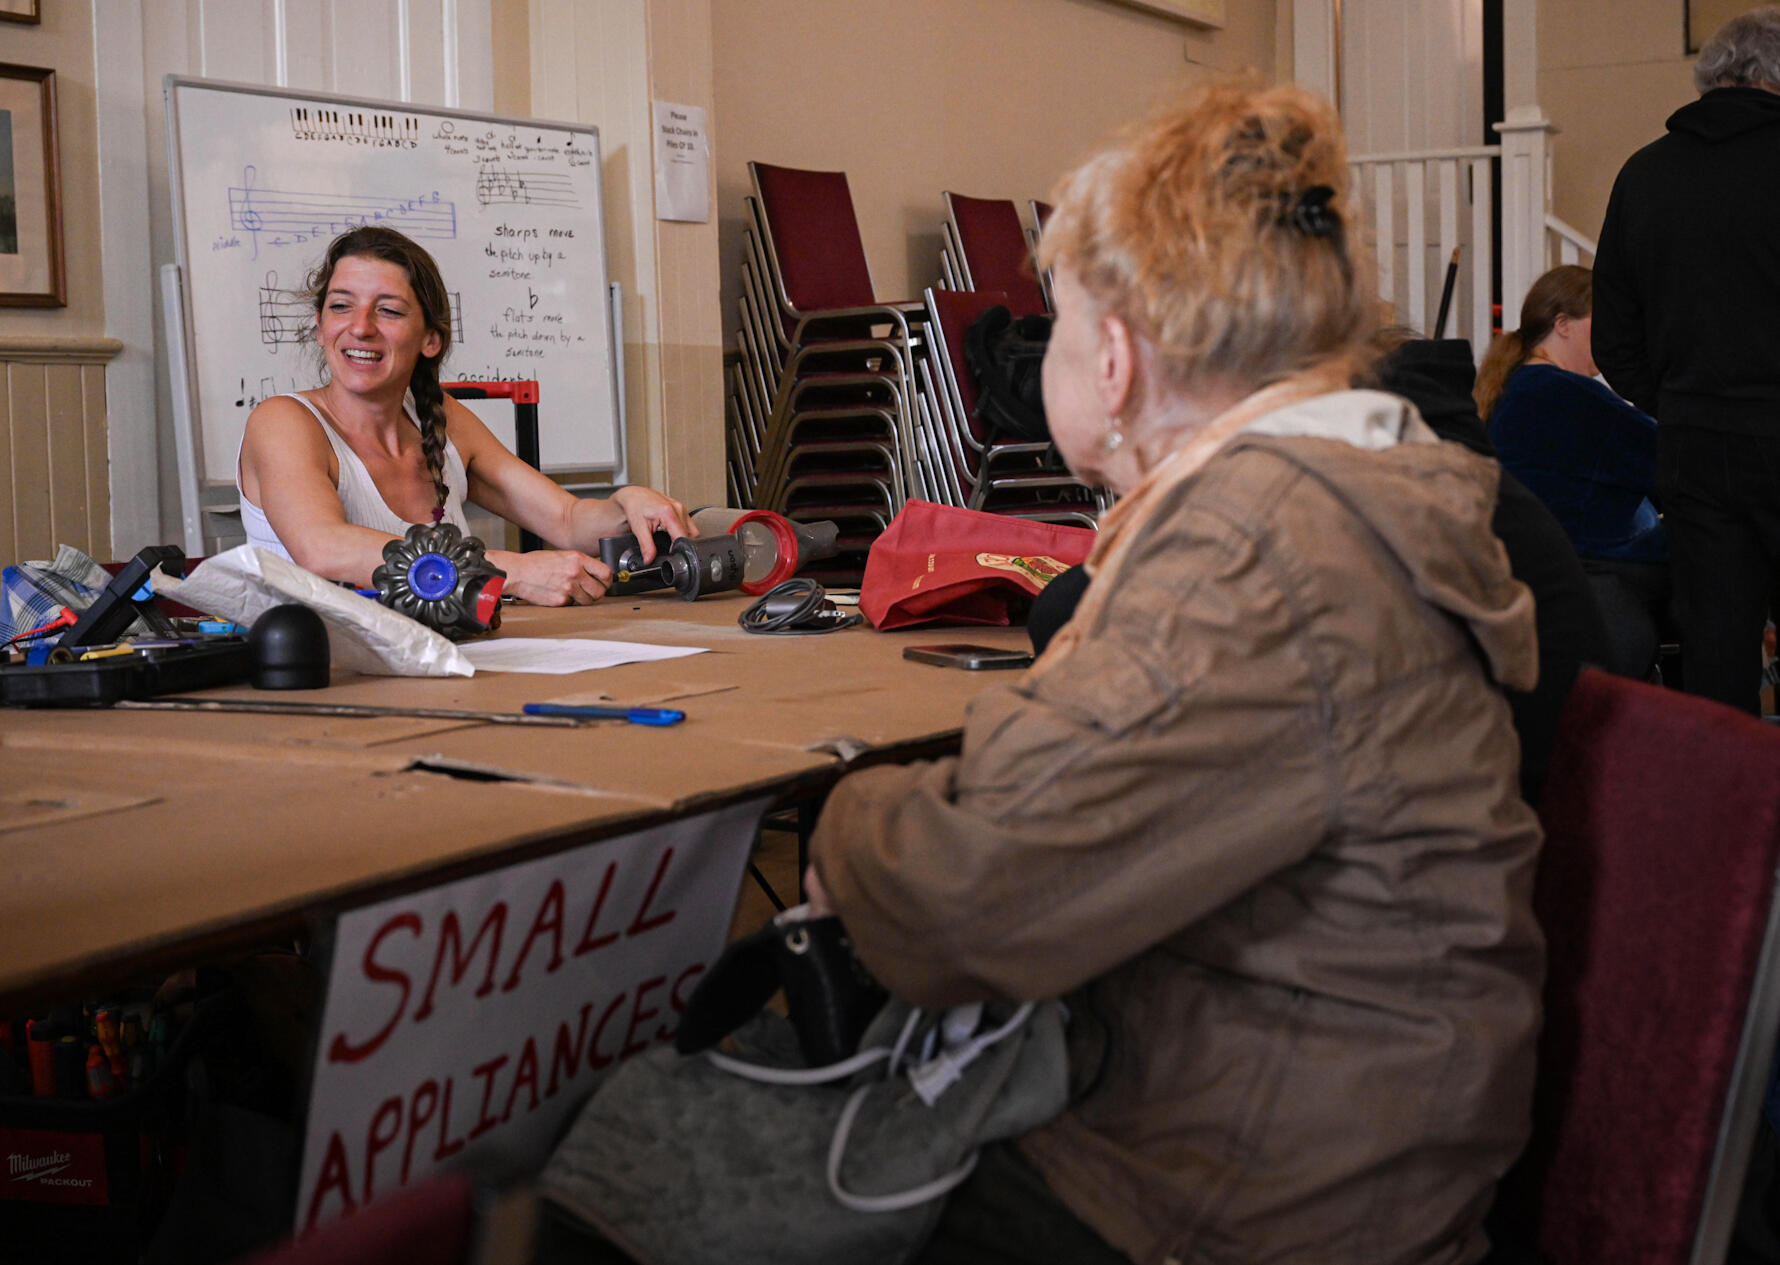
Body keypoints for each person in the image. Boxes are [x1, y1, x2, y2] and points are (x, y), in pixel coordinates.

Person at [808, 80, 1544, 1265]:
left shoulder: (1258, 543)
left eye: (1054, 321)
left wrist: (842, 819)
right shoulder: (1338, 492)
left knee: (642, 1161)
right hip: (1303, 1130)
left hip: (1233, 1196)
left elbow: (966, 897)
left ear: (1114, 359)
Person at [237, 226, 692, 605]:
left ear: (431, 340)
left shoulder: (441, 417)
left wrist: (626, 506)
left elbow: (568, 520)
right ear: (320, 327)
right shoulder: (284, 421)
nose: (360, 327)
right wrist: (507, 571)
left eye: (388, 310)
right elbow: (322, 547)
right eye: (341, 306)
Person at [1593, 5, 1780, 711]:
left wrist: (1676, 401)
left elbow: (1613, 335)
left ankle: (1724, 816)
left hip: (1696, 445)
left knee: (1716, 654)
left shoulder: (1644, 174)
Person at [1474, 265, 1668, 682]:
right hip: (1595, 590)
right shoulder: (1563, 394)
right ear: (1562, 323)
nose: (1614, 337)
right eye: (1603, 323)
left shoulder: (1515, 387)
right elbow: (1671, 461)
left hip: (1541, 588)